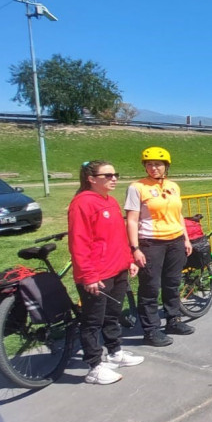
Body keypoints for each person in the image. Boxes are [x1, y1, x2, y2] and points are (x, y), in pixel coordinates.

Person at [69, 160, 143, 385]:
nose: (114, 179)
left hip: (117, 268)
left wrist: (129, 259)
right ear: (91, 179)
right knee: (92, 320)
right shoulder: (82, 203)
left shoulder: (110, 201)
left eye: (115, 174)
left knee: (112, 314)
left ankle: (114, 352)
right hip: (97, 274)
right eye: (108, 175)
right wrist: (89, 275)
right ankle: (93, 366)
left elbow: (118, 236)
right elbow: (79, 242)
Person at [125, 147, 194, 347]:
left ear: (166, 166)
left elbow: (178, 214)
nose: (153, 167)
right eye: (149, 164)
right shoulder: (137, 187)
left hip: (175, 240)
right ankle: (151, 330)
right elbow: (131, 220)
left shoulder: (173, 186)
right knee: (150, 287)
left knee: (172, 283)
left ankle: (173, 320)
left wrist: (186, 238)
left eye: (158, 164)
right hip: (151, 242)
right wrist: (135, 248)